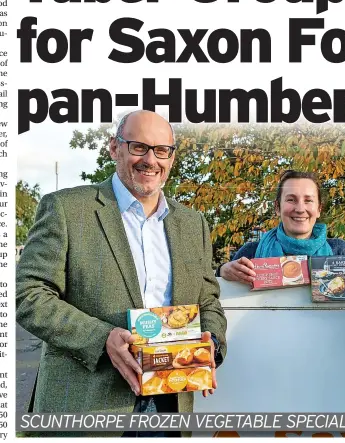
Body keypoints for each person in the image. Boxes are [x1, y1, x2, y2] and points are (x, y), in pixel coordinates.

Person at [16, 110, 227, 437]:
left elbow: (209, 301)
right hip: (88, 408)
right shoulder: (67, 209)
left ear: (171, 157)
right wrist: (102, 339)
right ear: (114, 147)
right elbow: (28, 294)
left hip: (170, 403)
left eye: (162, 151)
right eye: (139, 147)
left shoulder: (192, 224)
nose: (151, 160)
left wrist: (210, 342)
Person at [219, 170, 345, 294]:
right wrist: (223, 271)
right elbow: (217, 292)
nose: (300, 209)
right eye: (291, 200)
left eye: (308, 200)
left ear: (319, 209)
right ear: (277, 208)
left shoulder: (340, 251)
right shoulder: (251, 253)